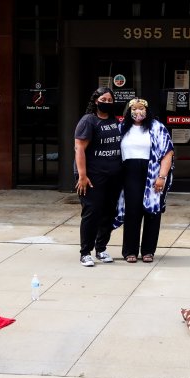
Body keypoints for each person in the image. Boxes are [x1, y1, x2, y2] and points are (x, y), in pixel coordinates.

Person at [114, 98, 174, 264]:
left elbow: (168, 153)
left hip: (153, 173)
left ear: (147, 111)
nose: (138, 112)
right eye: (134, 109)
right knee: (132, 211)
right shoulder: (121, 128)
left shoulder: (157, 127)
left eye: (141, 108)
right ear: (129, 111)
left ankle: (148, 250)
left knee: (152, 212)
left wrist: (162, 177)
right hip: (129, 173)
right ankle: (130, 251)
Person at [74, 87, 123, 267]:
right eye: (103, 100)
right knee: (92, 213)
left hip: (113, 177)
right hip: (92, 176)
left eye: (110, 100)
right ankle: (85, 252)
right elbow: (79, 148)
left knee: (108, 213)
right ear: (96, 101)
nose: (107, 103)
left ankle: (101, 248)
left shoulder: (114, 121)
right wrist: (82, 175)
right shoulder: (88, 120)